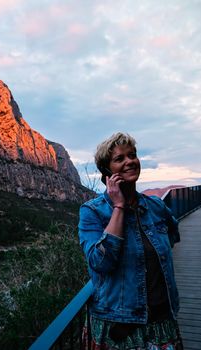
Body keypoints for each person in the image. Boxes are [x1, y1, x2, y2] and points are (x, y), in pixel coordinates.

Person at [78, 132, 183, 350]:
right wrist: (118, 207)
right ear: (107, 171)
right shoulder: (92, 212)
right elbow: (100, 263)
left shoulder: (155, 206)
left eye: (132, 155)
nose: (130, 162)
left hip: (162, 320)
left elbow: (172, 234)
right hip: (121, 326)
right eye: (119, 159)